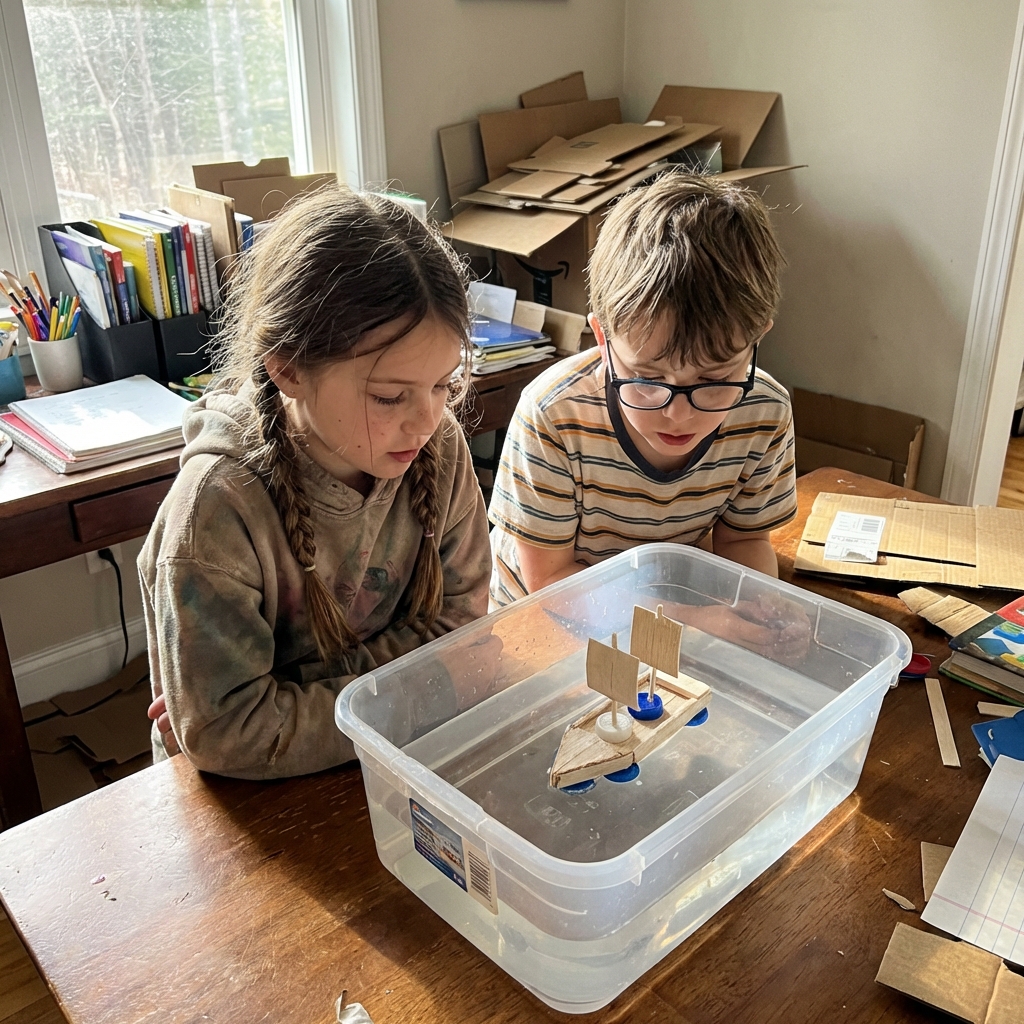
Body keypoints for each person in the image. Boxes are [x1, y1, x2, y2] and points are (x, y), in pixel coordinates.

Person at [139, 186, 492, 777]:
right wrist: (427, 685)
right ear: (288, 367)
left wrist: (288, 694)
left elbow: (466, 635)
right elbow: (229, 733)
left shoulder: (439, 446)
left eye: (443, 385)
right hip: (250, 805)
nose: (428, 419)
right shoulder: (215, 511)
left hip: (393, 767)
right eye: (388, 396)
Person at [488, 172, 806, 657]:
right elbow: (551, 581)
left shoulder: (764, 413)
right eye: (647, 378)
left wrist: (764, 608)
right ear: (602, 337)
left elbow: (743, 541)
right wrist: (699, 623)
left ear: (756, 338)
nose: (677, 414)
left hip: (676, 612)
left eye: (714, 381)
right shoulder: (552, 414)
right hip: (545, 622)